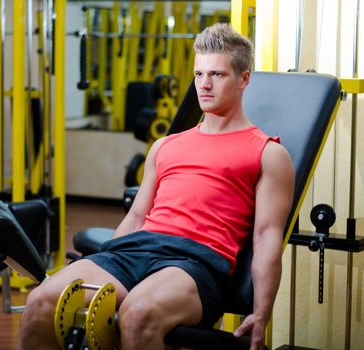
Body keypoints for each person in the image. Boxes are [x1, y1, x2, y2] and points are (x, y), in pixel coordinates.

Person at [17, 23, 294, 350]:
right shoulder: (165, 145)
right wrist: (108, 260)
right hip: (135, 251)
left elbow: (266, 236)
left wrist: (262, 313)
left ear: (244, 79)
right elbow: (135, 219)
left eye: (217, 75)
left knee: (139, 313)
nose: (204, 85)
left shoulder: (268, 153)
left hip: (196, 263)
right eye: (198, 74)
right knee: (40, 302)